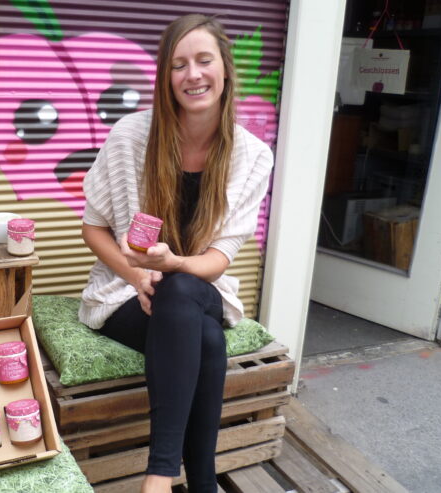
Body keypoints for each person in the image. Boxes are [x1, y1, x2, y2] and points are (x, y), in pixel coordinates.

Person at [78, 14, 274, 493]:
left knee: (184, 287)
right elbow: (93, 227)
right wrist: (139, 275)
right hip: (128, 294)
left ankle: (159, 476)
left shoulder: (252, 156)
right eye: (178, 65)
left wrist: (174, 268)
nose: (193, 75)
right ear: (165, 77)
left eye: (204, 60)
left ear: (225, 69)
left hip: (201, 287)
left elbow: (218, 260)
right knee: (206, 341)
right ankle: (202, 483)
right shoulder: (130, 136)